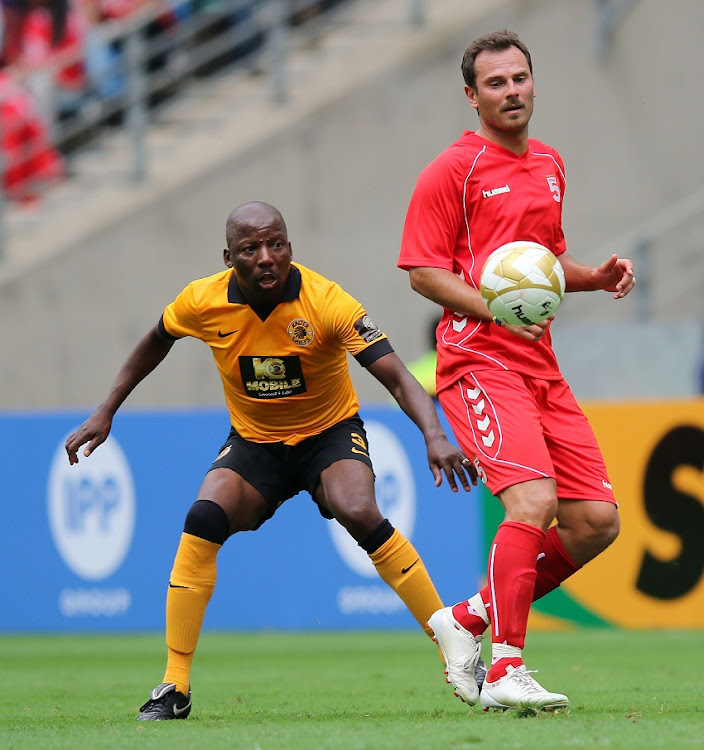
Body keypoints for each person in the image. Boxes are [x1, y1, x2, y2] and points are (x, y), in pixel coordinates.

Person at [65, 200, 480, 721]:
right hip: (256, 443)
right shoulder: (202, 301)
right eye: (250, 248)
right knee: (203, 518)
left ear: (289, 247)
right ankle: (174, 685)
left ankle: (456, 652)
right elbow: (155, 342)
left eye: (276, 244)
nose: (266, 257)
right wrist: (106, 411)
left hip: (329, 435)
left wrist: (434, 435)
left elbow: (397, 374)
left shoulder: (327, 302)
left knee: (358, 510)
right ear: (228, 257)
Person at [397, 30, 636, 712]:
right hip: (478, 360)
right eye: (495, 83)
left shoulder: (551, 164)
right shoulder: (453, 169)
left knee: (594, 523)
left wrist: (594, 277)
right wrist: (494, 312)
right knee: (533, 503)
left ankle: (466, 618)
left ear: (534, 83)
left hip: (541, 365)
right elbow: (422, 272)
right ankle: (505, 669)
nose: (511, 92)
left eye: (519, 79)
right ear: (471, 96)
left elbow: (542, 268)